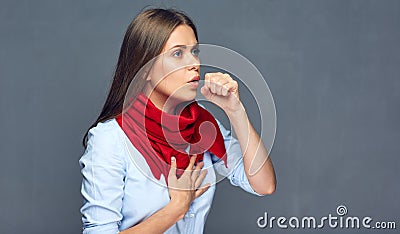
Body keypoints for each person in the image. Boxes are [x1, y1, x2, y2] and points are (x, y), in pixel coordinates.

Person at [79, 8, 276, 234]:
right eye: (177, 54)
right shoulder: (110, 139)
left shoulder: (202, 126)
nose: (194, 63)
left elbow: (263, 185)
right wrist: (176, 208)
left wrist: (236, 111)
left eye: (195, 51)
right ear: (145, 70)